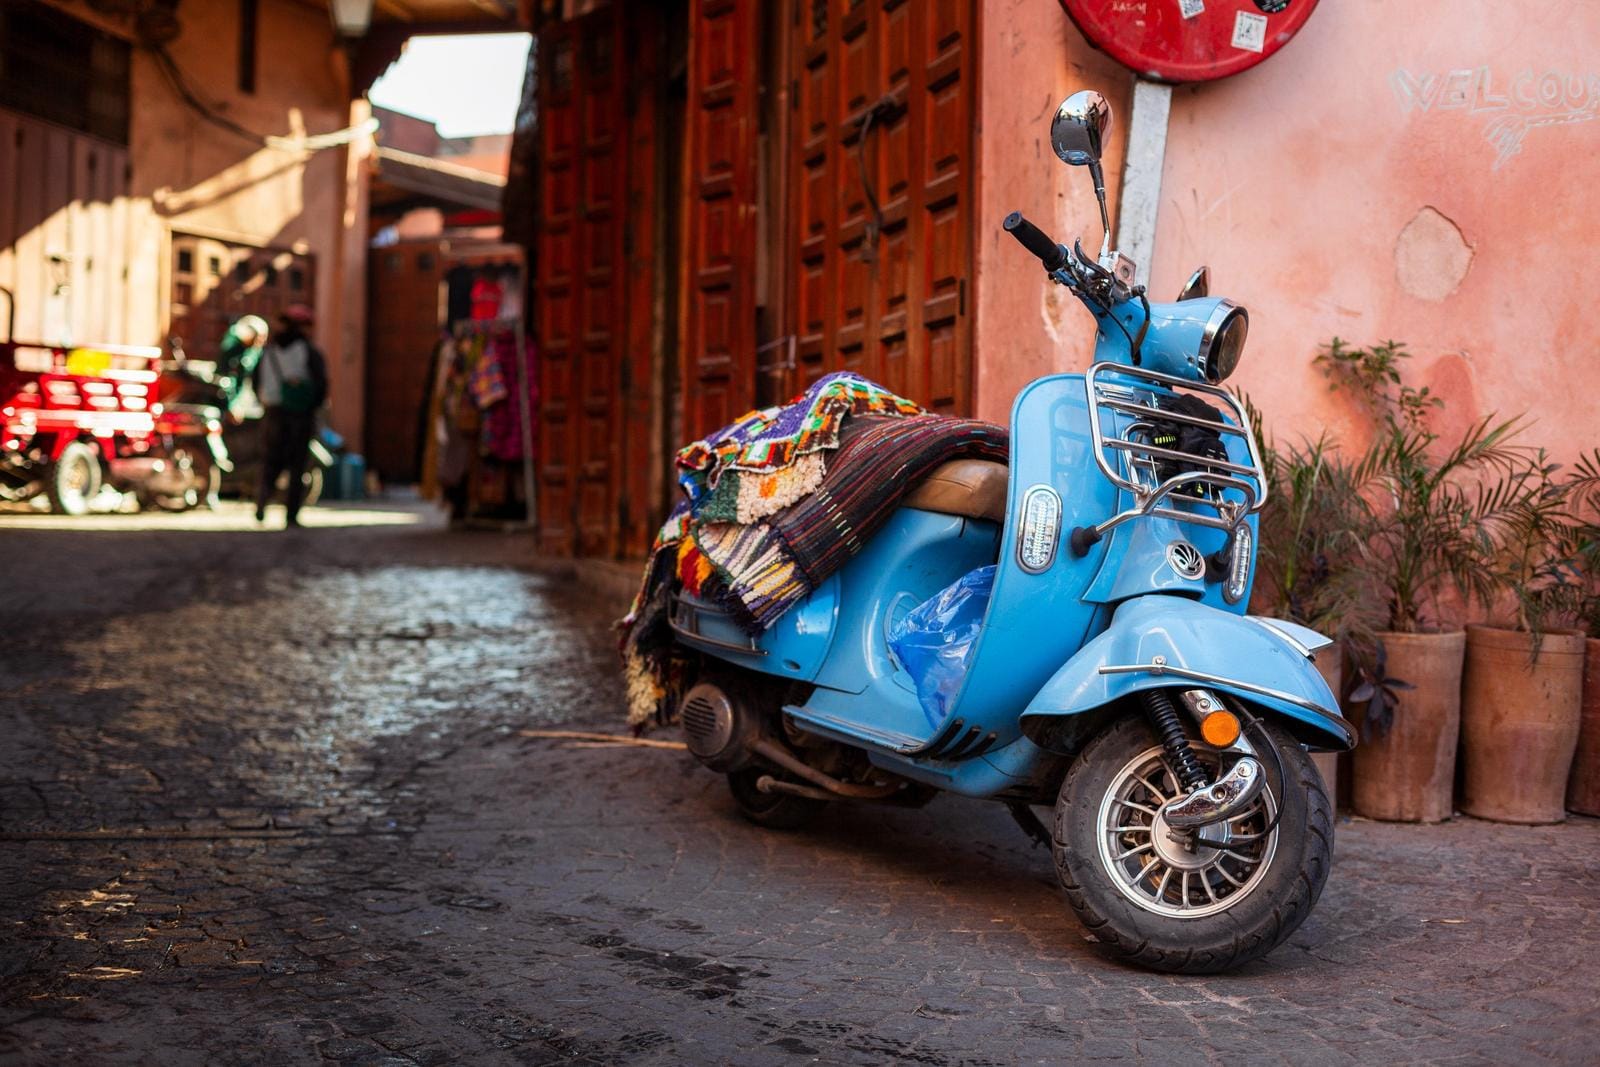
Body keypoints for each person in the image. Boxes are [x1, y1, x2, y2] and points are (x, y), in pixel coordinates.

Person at [251, 304, 328, 527]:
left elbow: (256, 380)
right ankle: (291, 514)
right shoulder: (308, 351)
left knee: (271, 461)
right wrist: (311, 405)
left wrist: (264, 400)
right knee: (297, 465)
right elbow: (321, 384)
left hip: (272, 411)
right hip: (300, 415)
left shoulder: (269, 350)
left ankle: (262, 503)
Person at [217, 314, 268, 413]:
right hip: (234, 401)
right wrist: (232, 405)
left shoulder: (255, 352)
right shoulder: (233, 351)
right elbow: (230, 379)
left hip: (252, 402)